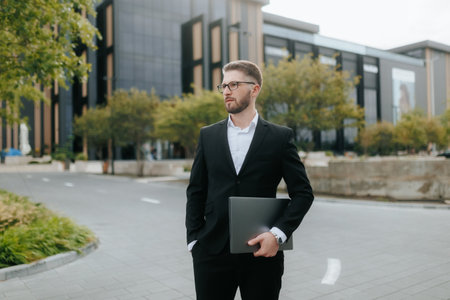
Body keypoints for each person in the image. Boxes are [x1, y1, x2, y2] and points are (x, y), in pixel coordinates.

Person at [186, 60, 314, 300]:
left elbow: (303, 194)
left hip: (262, 253)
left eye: (233, 84)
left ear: (254, 89)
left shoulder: (280, 137)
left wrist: (277, 235)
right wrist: (194, 240)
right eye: (223, 86)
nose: (226, 91)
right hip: (211, 252)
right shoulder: (208, 135)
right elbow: (196, 191)